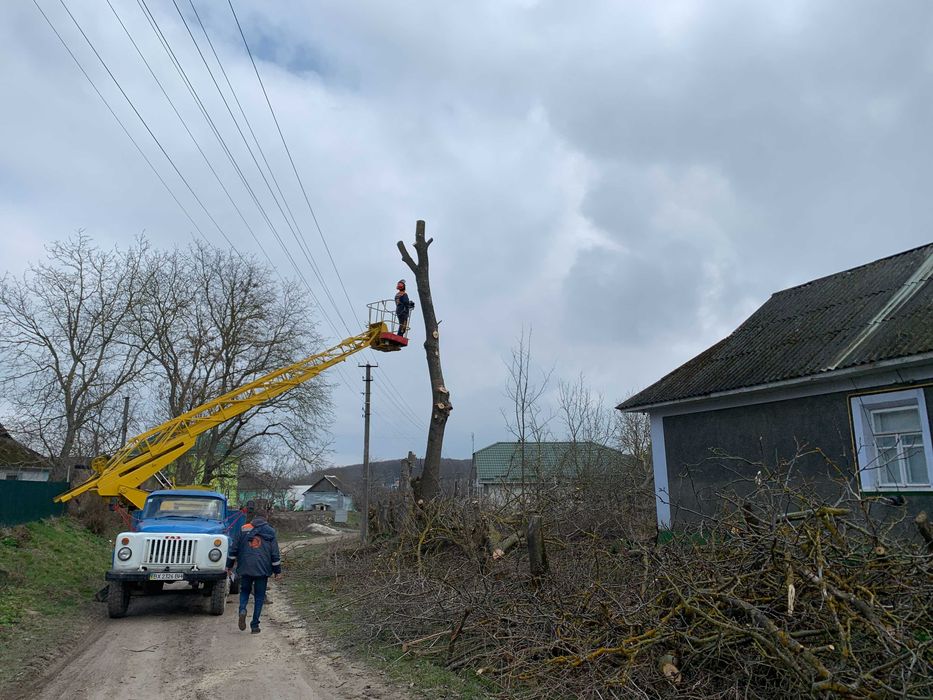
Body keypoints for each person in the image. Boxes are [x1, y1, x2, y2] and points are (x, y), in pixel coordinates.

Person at [226, 515, 281, 634]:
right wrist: (277, 571)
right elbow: (275, 553)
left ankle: (242, 610)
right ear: (265, 520)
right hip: (263, 568)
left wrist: (229, 565)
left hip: (245, 566)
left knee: (245, 591)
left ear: (253, 520)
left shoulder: (243, 528)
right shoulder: (270, 531)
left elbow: (234, 549)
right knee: (259, 596)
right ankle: (255, 625)